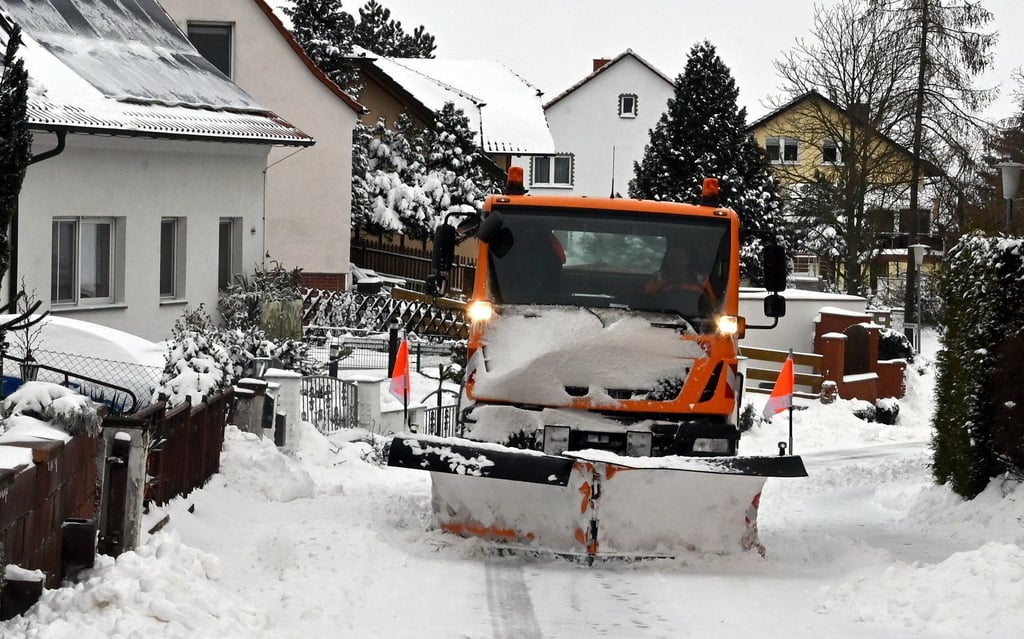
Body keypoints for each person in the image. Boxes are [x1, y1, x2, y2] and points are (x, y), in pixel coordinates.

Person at [644, 244, 718, 310]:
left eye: (681, 258)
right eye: (672, 258)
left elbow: (712, 304)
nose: (676, 261)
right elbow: (647, 302)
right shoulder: (656, 279)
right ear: (667, 259)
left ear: (689, 260)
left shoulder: (702, 280)